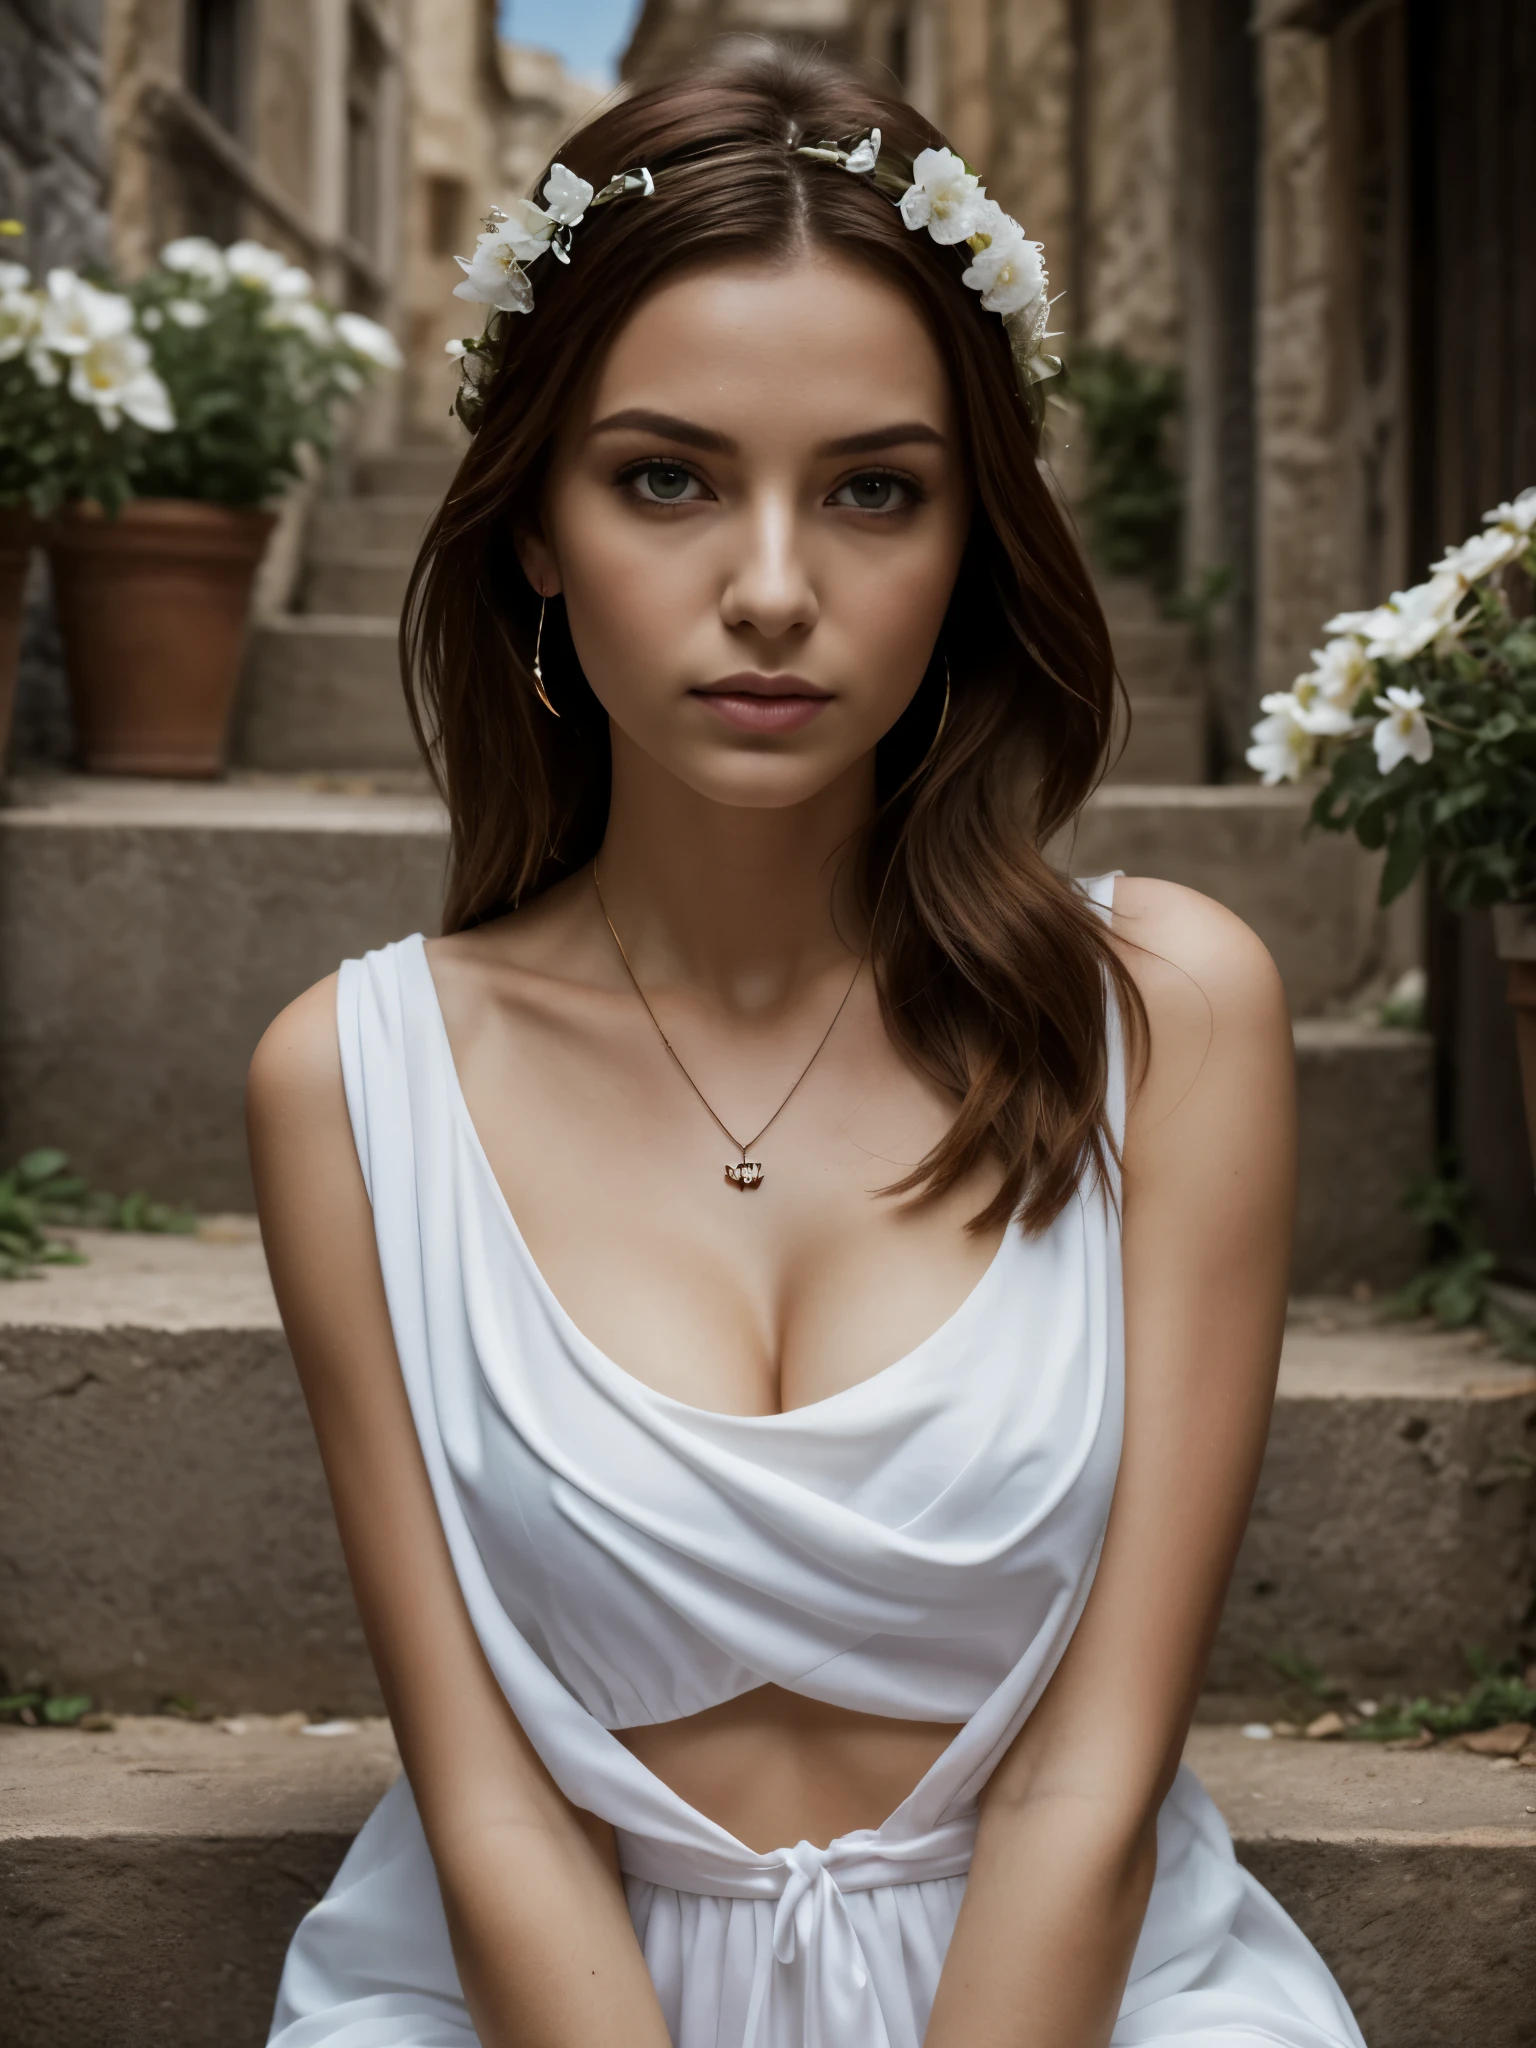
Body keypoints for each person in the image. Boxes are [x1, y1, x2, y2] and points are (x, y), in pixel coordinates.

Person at [247, 43, 1365, 2048]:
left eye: (873, 489)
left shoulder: (1169, 1016)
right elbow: (491, 1797)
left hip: (1072, 1982)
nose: (773, 589)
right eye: (665, 476)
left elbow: (1091, 1780)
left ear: (971, 539)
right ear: (531, 525)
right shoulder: (357, 1085)